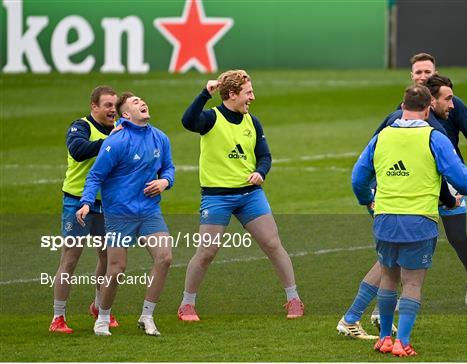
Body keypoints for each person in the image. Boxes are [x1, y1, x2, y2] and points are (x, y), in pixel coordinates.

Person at [352, 84, 467, 356]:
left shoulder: (382, 136)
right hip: (419, 221)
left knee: (388, 278)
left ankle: (385, 338)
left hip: (384, 219)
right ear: (429, 108)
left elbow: (357, 178)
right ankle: (402, 342)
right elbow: (462, 182)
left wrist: (368, 200)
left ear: (402, 106)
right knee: (412, 283)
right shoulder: (435, 137)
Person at [177, 69, 304, 321]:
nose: (253, 97)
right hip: (217, 197)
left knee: (272, 244)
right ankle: (187, 304)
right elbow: (187, 122)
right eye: (248, 92)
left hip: (250, 195)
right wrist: (205, 94)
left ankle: (294, 299)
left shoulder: (252, 122)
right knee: (206, 252)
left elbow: (265, 156)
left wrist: (261, 172)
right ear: (232, 94)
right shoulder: (211, 119)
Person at [76, 92, 175, 336]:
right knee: (117, 269)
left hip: (150, 211)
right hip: (120, 214)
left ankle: (147, 316)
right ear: (125, 114)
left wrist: (165, 182)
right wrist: (87, 202)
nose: (142, 102)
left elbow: (169, 168)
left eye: (143, 99)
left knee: (164, 257)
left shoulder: (160, 138)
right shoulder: (117, 141)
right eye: (135, 102)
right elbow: (95, 175)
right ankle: (103, 317)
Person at [49, 86, 119, 334]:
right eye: (108, 105)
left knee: (107, 257)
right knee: (70, 258)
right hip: (77, 201)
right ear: (94, 107)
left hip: (106, 204)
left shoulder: (119, 128)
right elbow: (78, 151)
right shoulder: (80, 127)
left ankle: (100, 308)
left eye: (115, 105)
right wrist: (112, 141)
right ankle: (58, 316)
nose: (113, 110)